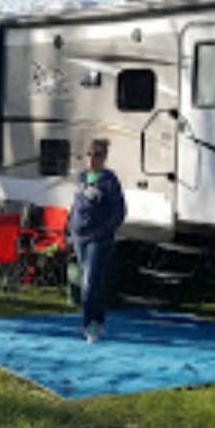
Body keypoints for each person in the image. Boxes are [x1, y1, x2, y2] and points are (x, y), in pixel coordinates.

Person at [67, 137, 126, 342]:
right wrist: (70, 225)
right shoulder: (82, 177)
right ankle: (97, 319)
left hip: (97, 238)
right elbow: (76, 205)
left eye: (98, 155)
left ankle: (89, 324)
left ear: (105, 158)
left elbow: (119, 210)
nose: (92, 159)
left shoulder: (109, 180)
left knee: (89, 281)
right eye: (90, 154)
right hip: (79, 236)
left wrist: (105, 230)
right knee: (91, 281)